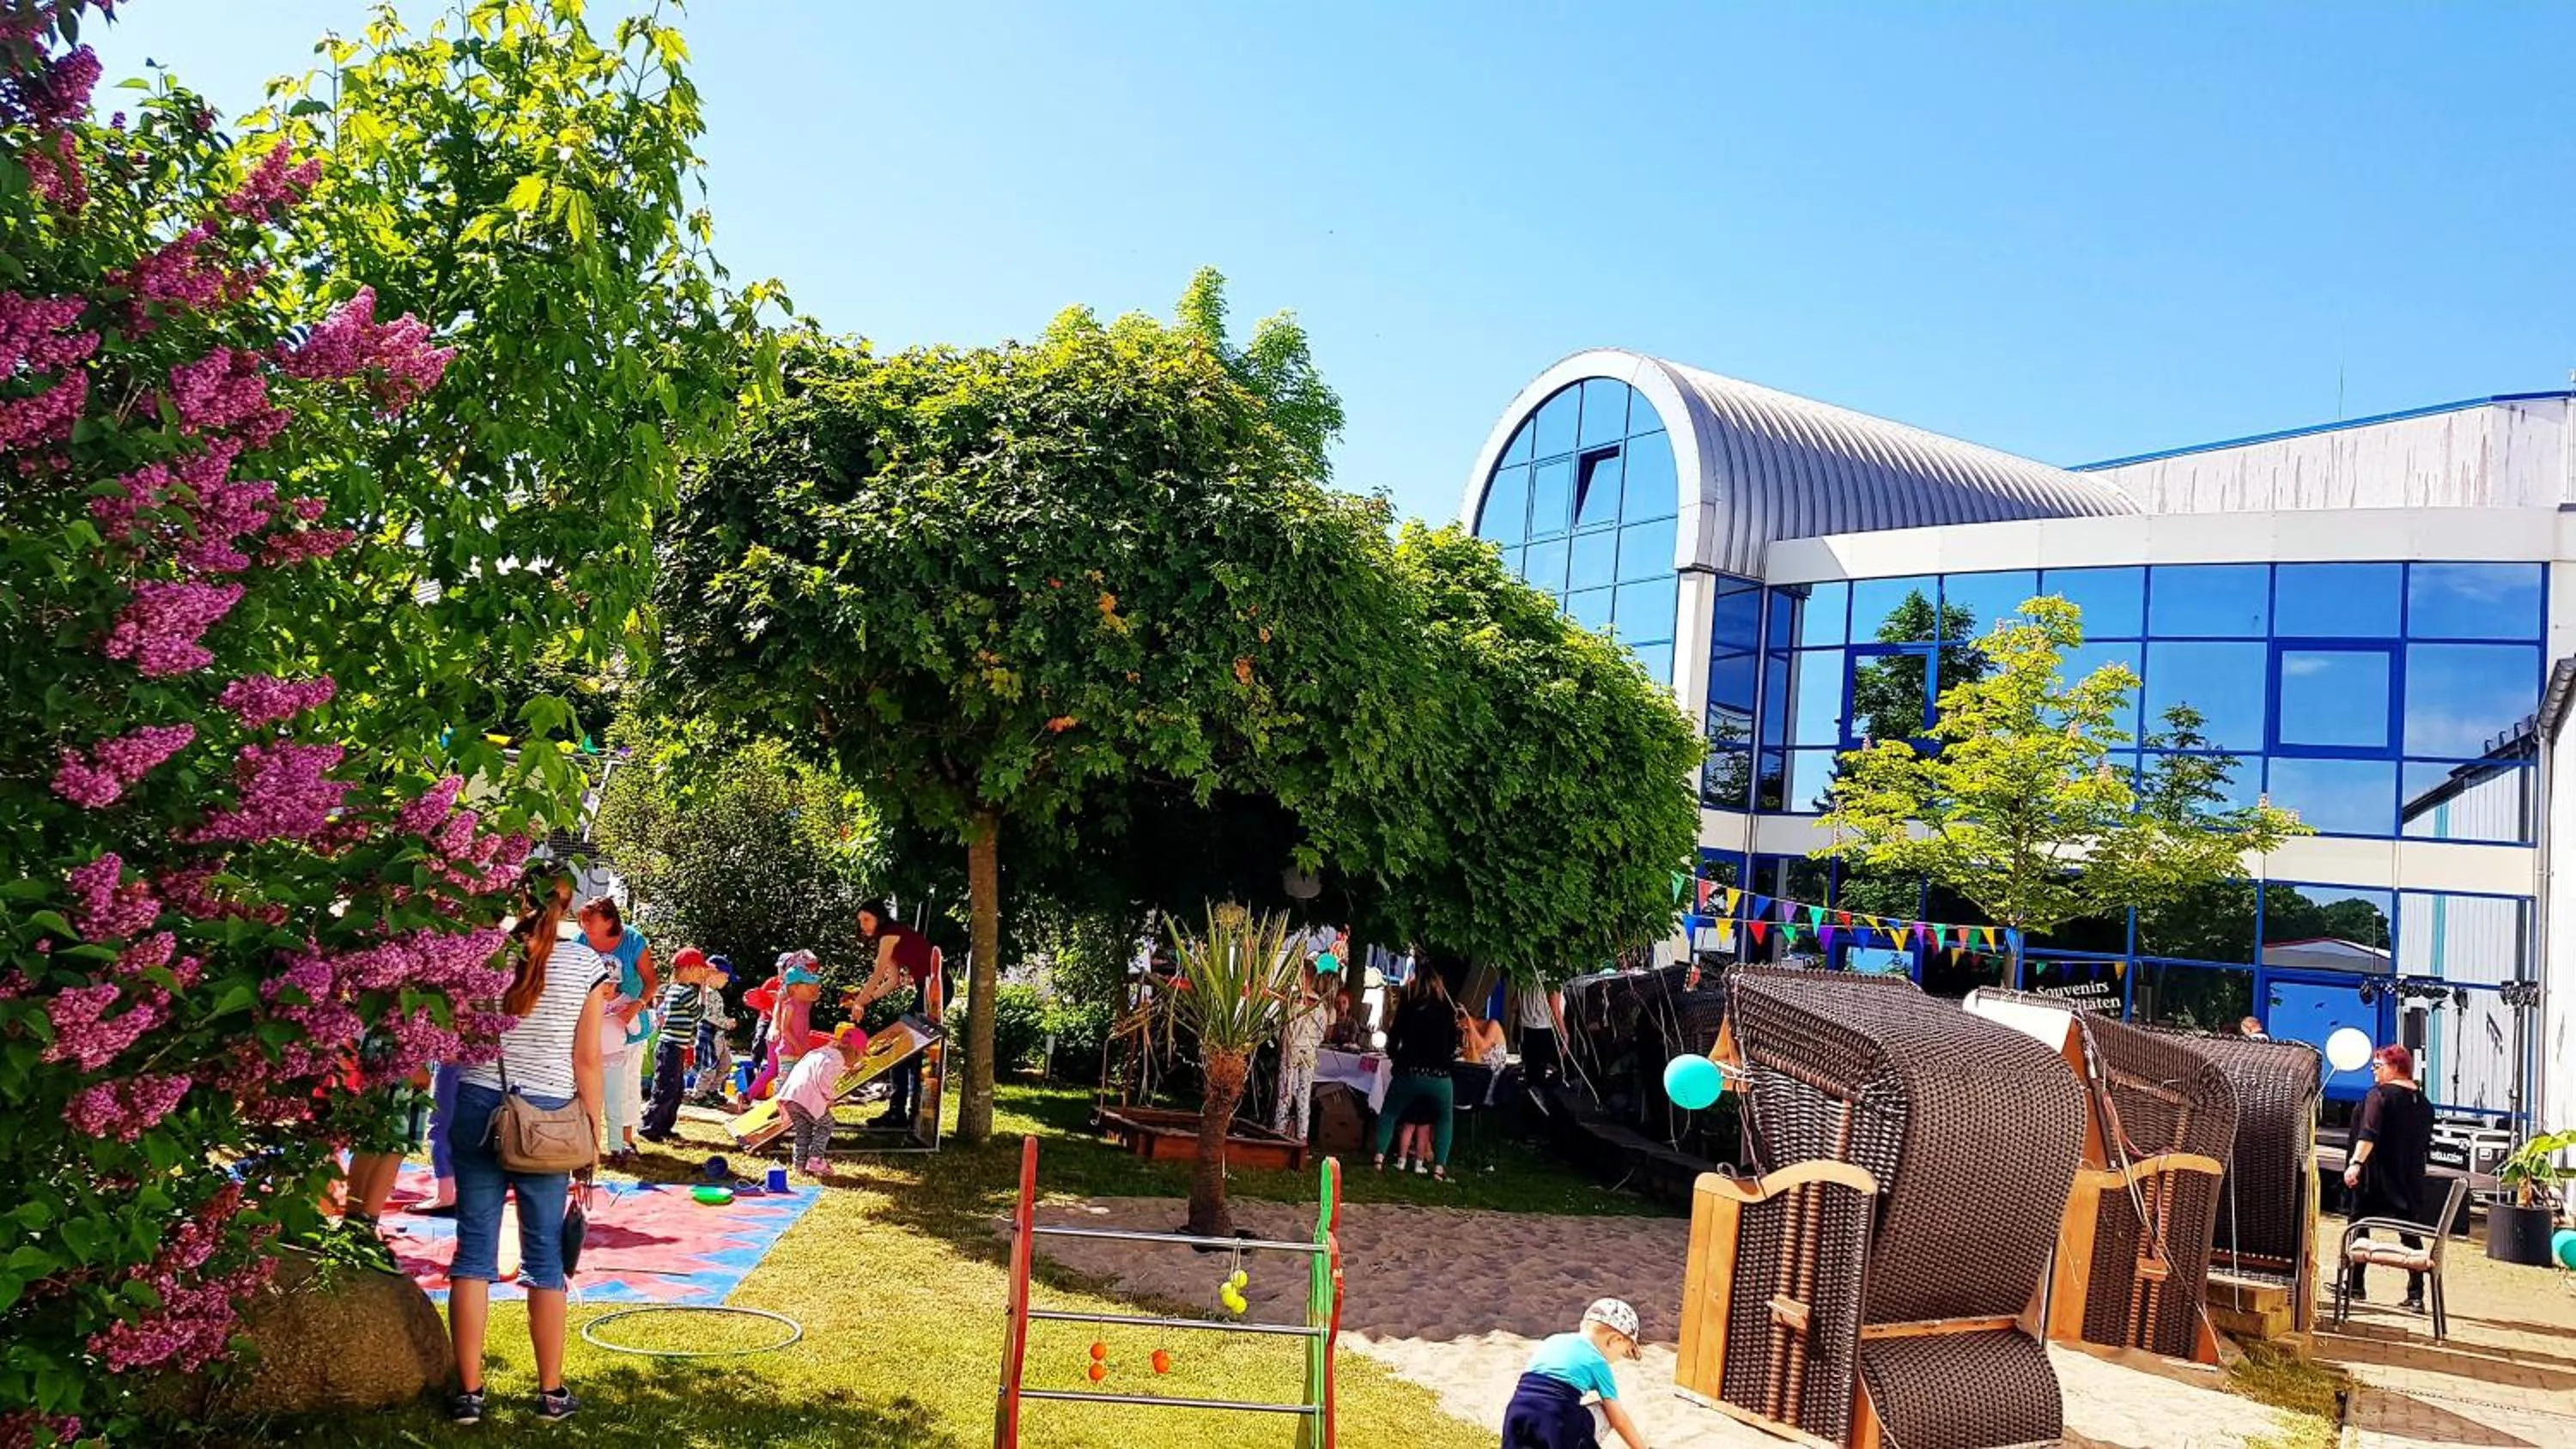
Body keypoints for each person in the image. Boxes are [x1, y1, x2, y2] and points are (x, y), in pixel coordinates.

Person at [448, 876, 609, 1425]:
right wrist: (595, 1131)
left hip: (477, 1107)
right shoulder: (586, 967)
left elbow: (459, 1041)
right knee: (544, 1257)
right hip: (548, 1119)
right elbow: (587, 1060)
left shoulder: (480, 959)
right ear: (565, 908)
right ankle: (551, 1393)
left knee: (473, 1252)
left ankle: (469, 1394)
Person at [2344, 1043, 2435, 1311]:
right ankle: (2417, 1293)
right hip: (2409, 1178)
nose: (2373, 1071)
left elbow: (2369, 1133)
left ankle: (2355, 1286)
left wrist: (2355, 1163)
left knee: (2358, 1225)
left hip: (2377, 1175)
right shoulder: (2424, 1103)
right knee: (2410, 1233)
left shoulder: (2380, 1095)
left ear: (2395, 1068)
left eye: (2378, 1066)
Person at [1501, 1298, 1652, 1449]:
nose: (1619, 1358)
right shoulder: (1598, 1362)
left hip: (1517, 1414)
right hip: (1556, 1419)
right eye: (1624, 1352)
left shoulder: (1553, 1340)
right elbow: (1620, 1420)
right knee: (1606, 1412)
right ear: (1615, 1339)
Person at [850, 902, 944, 1127]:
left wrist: (859, 1002)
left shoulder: (889, 936)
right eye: (860, 920)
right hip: (926, 989)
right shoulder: (889, 937)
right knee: (903, 1050)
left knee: (903, 1047)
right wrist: (866, 1001)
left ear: (879, 918)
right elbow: (891, 980)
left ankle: (899, 1113)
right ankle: (901, 1112)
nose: (862, 925)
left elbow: (877, 974)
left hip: (934, 989)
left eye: (866, 919)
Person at [577, 897, 654, 1165]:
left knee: (626, 1086)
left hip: (626, 1026)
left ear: (609, 920)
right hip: (592, 1027)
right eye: (582, 919)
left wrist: (636, 1005)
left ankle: (624, 1140)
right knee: (587, 1087)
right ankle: (587, 1141)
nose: (584, 924)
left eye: (590, 919)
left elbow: (651, 982)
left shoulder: (633, 941)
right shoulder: (581, 941)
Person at [1371, 972, 1461, 1179]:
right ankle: (1439, 1168)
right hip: (1439, 1075)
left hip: (1410, 1072)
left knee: (1389, 1113)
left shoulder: (1408, 1008)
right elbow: (1451, 1046)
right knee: (1445, 1118)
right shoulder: (1447, 1011)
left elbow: (1393, 1040)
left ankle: (1379, 1157)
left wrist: (1396, 1060)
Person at [639, 948, 713, 1143]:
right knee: (665, 1089)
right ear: (689, 968)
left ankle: (663, 1127)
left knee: (674, 1089)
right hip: (671, 1047)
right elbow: (698, 1015)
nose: (702, 974)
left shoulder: (673, 989)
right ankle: (650, 1127)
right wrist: (703, 994)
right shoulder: (686, 992)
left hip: (672, 1047)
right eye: (699, 969)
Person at [779, 1022, 869, 1177]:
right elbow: (823, 1079)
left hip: (790, 1096)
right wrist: (830, 1097)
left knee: (803, 1131)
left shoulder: (824, 1053)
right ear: (854, 1051)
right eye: (860, 1055)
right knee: (826, 1124)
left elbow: (820, 1068)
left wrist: (849, 1069)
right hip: (805, 1099)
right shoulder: (836, 1060)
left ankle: (799, 1166)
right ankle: (815, 1160)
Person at [747, 955, 822, 1101]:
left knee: (781, 1073)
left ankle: (751, 1096)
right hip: (782, 1040)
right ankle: (754, 1097)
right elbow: (778, 1014)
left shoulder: (802, 998)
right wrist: (774, 1027)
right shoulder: (787, 996)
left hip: (791, 1041)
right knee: (776, 1073)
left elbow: (814, 994)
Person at [1274, 961, 1330, 1142]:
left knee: (1285, 1092)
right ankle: (1302, 1137)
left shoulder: (1291, 1001)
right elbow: (1322, 1031)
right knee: (1304, 1095)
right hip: (1309, 1052)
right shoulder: (1320, 1004)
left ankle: (1279, 1134)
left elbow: (1280, 1027)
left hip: (1290, 1050)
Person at [689, 956, 738, 1104]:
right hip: (709, 1034)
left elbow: (716, 1014)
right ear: (713, 973)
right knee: (709, 1065)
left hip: (719, 1035)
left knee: (725, 1064)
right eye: (725, 977)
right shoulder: (706, 994)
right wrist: (725, 1022)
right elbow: (706, 1015)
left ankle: (713, 1090)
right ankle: (699, 1094)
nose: (727, 981)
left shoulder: (715, 994)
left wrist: (725, 1021)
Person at [1518, 981, 1567, 1086]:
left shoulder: (1526, 979)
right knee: (1551, 1072)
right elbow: (1555, 1011)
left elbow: (1514, 1005)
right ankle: (1545, 1098)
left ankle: (1532, 1098)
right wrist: (1565, 1035)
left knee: (1532, 1072)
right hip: (1545, 1029)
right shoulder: (1552, 980)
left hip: (1527, 1029)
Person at [1322, 982, 1366, 1051]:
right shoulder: (1328, 1020)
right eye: (1338, 1003)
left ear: (1348, 1005)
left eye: (1344, 1003)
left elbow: (1352, 1042)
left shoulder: (1352, 1023)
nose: (1341, 1006)